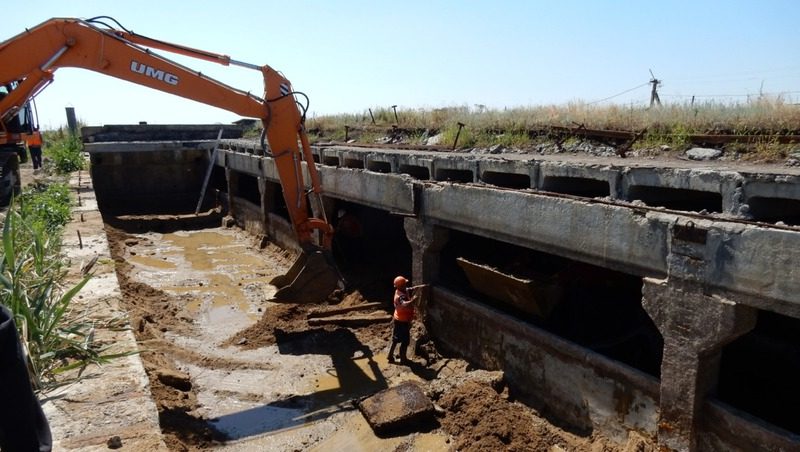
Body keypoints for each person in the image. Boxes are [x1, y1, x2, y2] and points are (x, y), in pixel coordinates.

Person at [388, 275, 414, 364]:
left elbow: (408, 289)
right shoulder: (400, 297)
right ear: (401, 286)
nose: (406, 286)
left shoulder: (399, 290)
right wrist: (412, 301)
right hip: (403, 321)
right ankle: (403, 360)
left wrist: (418, 287)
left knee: (395, 339)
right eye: (405, 284)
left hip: (398, 318)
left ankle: (390, 356)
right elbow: (404, 304)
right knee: (405, 341)